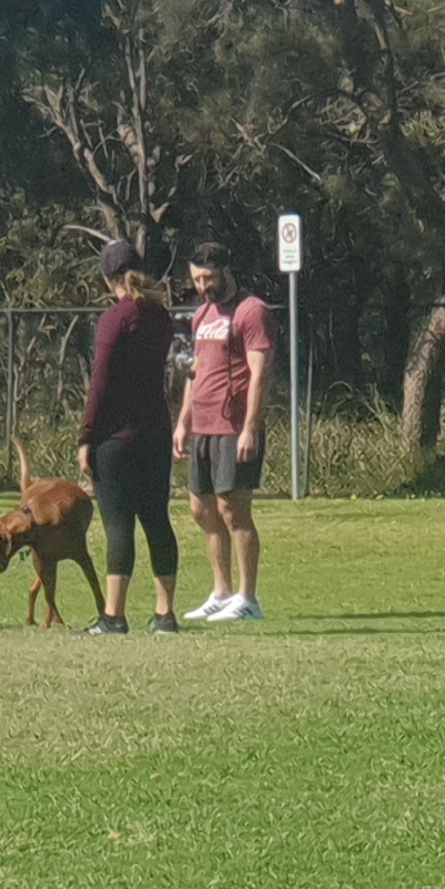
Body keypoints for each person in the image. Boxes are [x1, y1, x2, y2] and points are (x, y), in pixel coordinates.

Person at [79, 237, 181, 635]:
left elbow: (101, 382)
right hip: (155, 431)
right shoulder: (160, 316)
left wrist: (87, 435)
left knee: (119, 525)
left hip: (117, 438)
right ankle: (165, 614)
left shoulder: (115, 319)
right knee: (157, 519)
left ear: (109, 279)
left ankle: (114, 615)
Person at [174, 242, 271, 620]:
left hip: (234, 426)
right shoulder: (202, 315)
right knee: (201, 508)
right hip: (203, 425)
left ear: (226, 270)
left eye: (208, 278)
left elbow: (259, 374)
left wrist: (250, 428)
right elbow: (194, 371)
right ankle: (222, 591)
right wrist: (183, 422)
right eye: (197, 279)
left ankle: (248, 599)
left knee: (233, 508)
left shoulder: (251, 311)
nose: (203, 286)